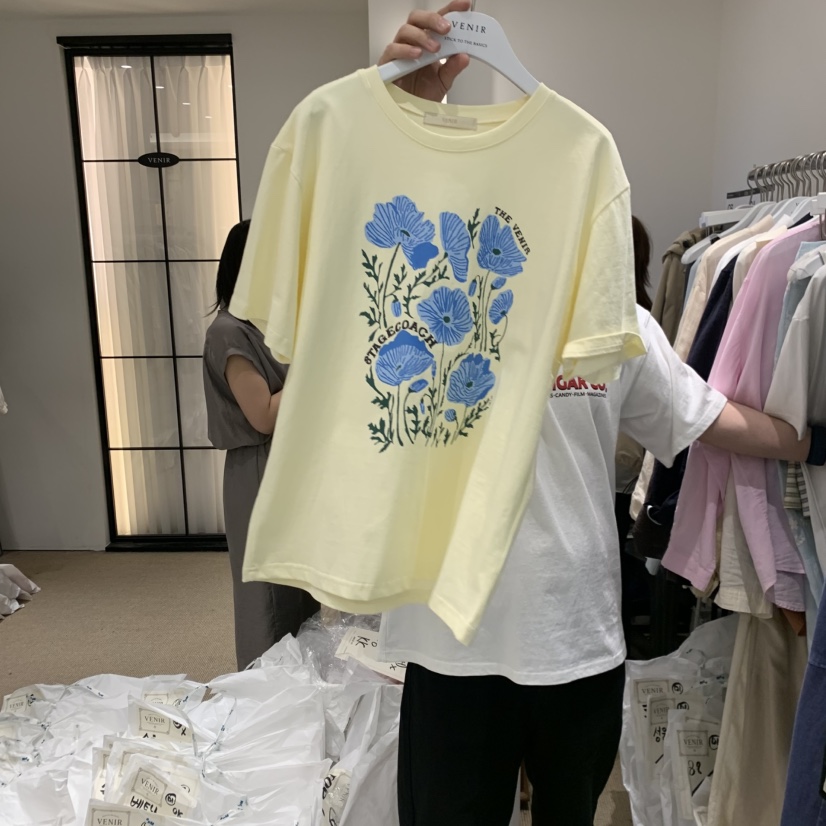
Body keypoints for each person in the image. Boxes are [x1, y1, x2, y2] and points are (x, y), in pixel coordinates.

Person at [377, 7, 817, 825]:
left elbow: (706, 416)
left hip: (575, 641)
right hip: (450, 644)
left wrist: (805, 440)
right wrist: (404, 111)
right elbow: (351, 226)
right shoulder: (421, 300)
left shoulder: (614, 318)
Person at [203, 220, 319, 670]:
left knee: (299, 584)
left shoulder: (271, 326)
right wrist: (315, 361)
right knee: (267, 595)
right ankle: (265, 690)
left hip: (290, 466)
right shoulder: (229, 331)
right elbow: (264, 416)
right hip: (258, 470)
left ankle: (303, 687)